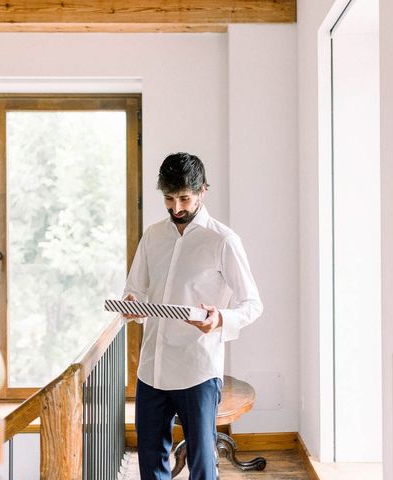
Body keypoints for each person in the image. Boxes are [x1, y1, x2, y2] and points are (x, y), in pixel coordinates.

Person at [122, 152, 263, 480]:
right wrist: (132, 305)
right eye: (169, 199)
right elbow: (137, 292)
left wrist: (220, 319)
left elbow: (252, 304)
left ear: (203, 191)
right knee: (151, 466)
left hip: (197, 371)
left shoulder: (223, 241)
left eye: (184, 198)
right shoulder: (153, 236)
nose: (176, 209)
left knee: (202, 466)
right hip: (151, 371)